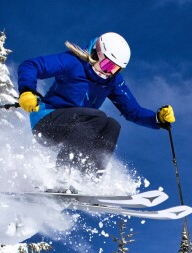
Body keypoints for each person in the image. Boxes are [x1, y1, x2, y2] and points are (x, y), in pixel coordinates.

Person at [16, 32, 175, 176]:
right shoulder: (72, 62)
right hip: (47, 122)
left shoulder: (112, 81)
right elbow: (31, 65)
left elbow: (132, 111)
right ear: (96, 53)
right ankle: (65, 172)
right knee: (97, 117)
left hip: (76, 127)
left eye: (115, 69)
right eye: (107, 65)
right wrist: (27, 91)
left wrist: (157, 119)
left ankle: (90, 177)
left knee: (112, 126)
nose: (109, 72)